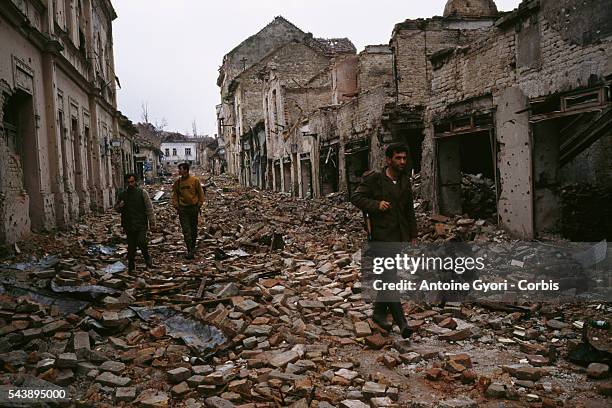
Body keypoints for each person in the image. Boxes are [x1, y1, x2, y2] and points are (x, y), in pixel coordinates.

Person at [351, 143, 418, 339]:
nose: (402, 162)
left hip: (398, 237)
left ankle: (379, 313)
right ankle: (402, 322)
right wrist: (376, 204)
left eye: (404, 158)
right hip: (380, 237)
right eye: (398, 158)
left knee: (388, 276)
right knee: (390, 278)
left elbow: (409, 211)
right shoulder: (375, 179)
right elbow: (356, 197)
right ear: (388, 160)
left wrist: (413, 235)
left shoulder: (405, 182)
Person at [115, 174, 156, 273]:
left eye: (132, 182)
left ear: (135, 182)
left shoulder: (142, 193)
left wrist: (152, 223)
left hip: (141, 223)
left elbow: (149, 208)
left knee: (142, 241)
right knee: (131, 247)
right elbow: (116, 209)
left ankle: (147, 258)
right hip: (128, 224)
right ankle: (131, 266)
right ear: (126, 183)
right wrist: (119, 206)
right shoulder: (122, 194)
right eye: (128, 182)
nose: (130, 184)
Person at [172, 163, 205, 259]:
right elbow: (175, 195)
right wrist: (176, 205)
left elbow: (200, 193)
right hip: (183, 209)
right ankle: (190, 250)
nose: (179, 171)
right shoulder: (177, 183)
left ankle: (193, 247)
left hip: (193, 208)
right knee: (186, 230)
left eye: (180, 169)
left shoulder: (194, 181)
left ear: (186, 170)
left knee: (193, 229)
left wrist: (199, 204)